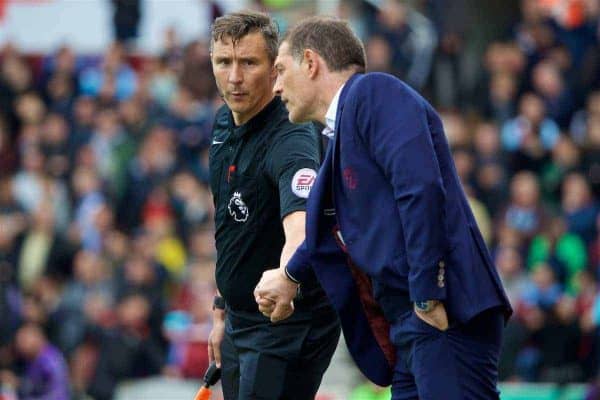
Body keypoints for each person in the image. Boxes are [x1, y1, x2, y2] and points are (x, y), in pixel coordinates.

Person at [254, 16, 513, 400]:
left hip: (441, 313)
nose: (275, 87)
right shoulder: (341, 129)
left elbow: (421, 186)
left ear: (310, 63)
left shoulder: (374, 92)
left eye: (279, 70)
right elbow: (330, 230)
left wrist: (427, 293)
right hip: (410, 323)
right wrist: (290, 276)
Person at [207, 11, 340, 400]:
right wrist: (221, 308)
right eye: (223, 63)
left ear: (274, 67)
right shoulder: (223, 122)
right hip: (240, 321)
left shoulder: (291, 136)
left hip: (286, 321)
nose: (234, 77)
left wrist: (287, 278)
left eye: (249, 62)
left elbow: (300, 225)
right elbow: (230, 225)